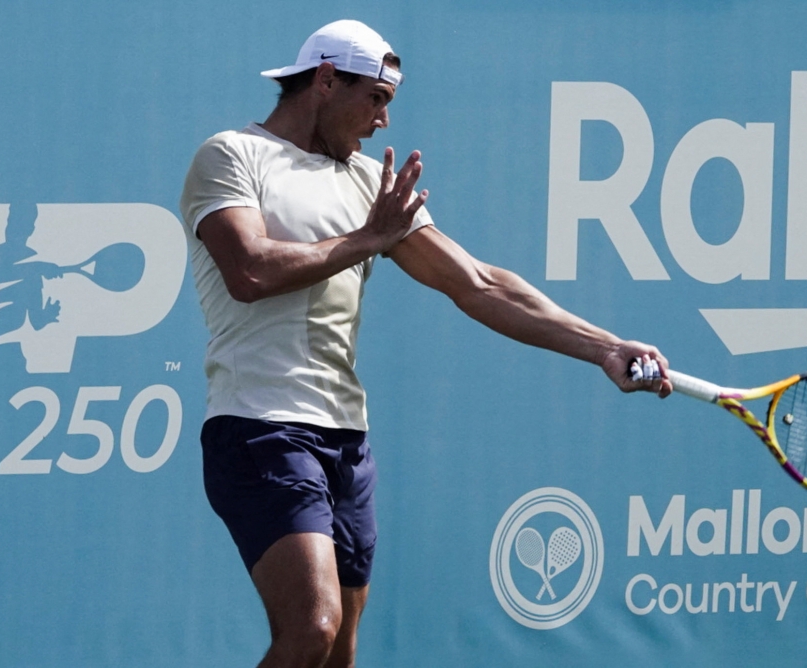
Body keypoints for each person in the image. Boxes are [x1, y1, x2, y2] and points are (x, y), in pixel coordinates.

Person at [180, 19, 671, 668]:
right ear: (326, 81)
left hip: (345, 438)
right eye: (376, 98)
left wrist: (604, 346)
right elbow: (249, 273)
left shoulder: (366, 185)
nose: (383, 121)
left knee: (339, 653)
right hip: (261, 425)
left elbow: (478, 284)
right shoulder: (233, 155)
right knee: (313, 628)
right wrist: (366, 239)